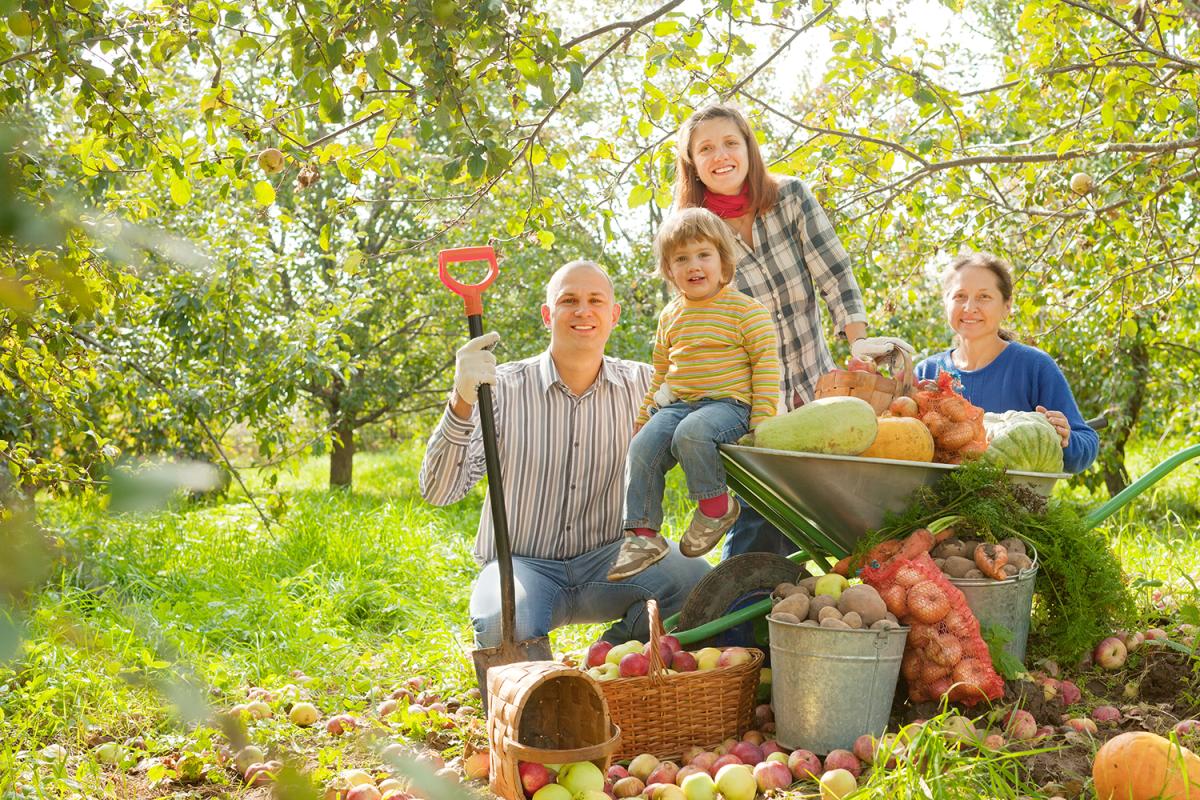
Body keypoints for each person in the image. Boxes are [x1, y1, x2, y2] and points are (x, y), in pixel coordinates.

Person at [419, 260, 711, 648]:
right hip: (522, 566)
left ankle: (612, 657)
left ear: (613, 314)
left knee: (697, 585)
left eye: (595, 300)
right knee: (499, 623)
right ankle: (539, 697)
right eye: (569, 300)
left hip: (612, 559)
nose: (583, 311)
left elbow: (714, 404)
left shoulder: (646, 386)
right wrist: (461, 398)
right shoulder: (499, 390)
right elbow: (439, 492)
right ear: (547, 314)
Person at [672, 102, 911, 558]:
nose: (721, 155)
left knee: (840, 509)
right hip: (752, 401)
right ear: (693, 164)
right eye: (706, 149)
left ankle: (855, 592)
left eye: (730, 143)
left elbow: (834, 273)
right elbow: (698, 322)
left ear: (748, 148)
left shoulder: (790, 198)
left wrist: (857, 337)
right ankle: (741, 619)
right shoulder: (690, 233)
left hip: (816, 386)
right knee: (762, 520)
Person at [607, 208, 781, 581]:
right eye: (681, 259)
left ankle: (716, 507)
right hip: (680, 404)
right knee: (642, 447)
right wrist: (643, 418)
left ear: (723, 260)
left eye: (704, 254)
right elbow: (661, 374)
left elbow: (766, 367)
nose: (693, 265)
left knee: (692, 433)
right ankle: (642, 534)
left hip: (731, 406)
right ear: (669, 270)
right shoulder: (671, 316)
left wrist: (762, 420)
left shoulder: (746, 312)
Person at [914, 251, 1099, 474]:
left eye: (984, 297)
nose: (970, 307)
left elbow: (1087, 444)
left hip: (1013, 504)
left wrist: (1066, 438)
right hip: (934, 503)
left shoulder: (1034, 367)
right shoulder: (927, 372)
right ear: (946, 303)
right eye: (960, 296)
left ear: (1007, 306)